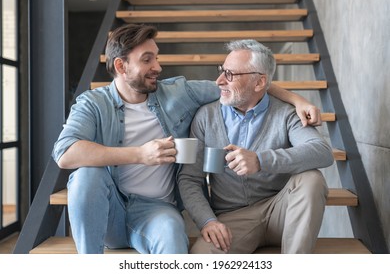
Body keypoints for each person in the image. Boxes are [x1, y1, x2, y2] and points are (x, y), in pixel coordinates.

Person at [52, 24, 324, 254]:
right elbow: (65, 153)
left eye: (157, 57)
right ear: (122, 66)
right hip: (111, 207)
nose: (158, 66)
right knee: (86, 176)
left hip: (157, 211)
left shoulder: (178, 92)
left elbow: (238, 86)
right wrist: (140, 154)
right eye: (147, 59)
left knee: (174, 243)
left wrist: (295, 99)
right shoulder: (92, 103)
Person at [178, 39, 334, 254]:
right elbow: (189, 179)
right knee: (201, 258)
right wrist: (207, 221)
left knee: (311, 179)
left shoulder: (287, 113)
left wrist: (261, 161)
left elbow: (322, 151)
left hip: (282, 211)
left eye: (230, 74)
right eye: (222, 71)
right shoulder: (206, 117)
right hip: (232, 219)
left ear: (259, 82)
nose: (220, 80)